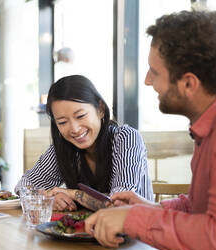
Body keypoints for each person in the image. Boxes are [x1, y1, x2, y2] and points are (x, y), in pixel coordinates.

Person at [85, 10, 216, 250]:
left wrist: (135, 219)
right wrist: (151, 209)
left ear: (189, 84)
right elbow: (203, 209)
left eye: (154, 72)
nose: (148, 81)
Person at [15, 75, 152, 211]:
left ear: (100, 109)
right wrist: (49, 199)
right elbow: (24, 185)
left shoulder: (126, 137)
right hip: (87, 230)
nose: (74, 129)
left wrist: (74, 194)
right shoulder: (64, 146)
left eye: (80, 116)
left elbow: (119, 204)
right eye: (62, 122)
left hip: (137, 229)